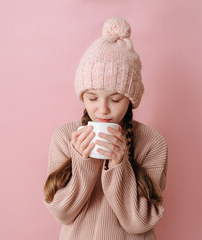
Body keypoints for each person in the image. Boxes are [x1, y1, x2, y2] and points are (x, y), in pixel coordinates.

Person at [43, 16, 168, 240]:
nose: (103, 110)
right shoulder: (64, 138)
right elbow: (62, 212)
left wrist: (121, 166)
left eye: (116, 99)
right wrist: (83, 162)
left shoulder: (152, 143)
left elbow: (140, 222)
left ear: (130, 99)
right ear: (82, 97)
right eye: (92, 98)